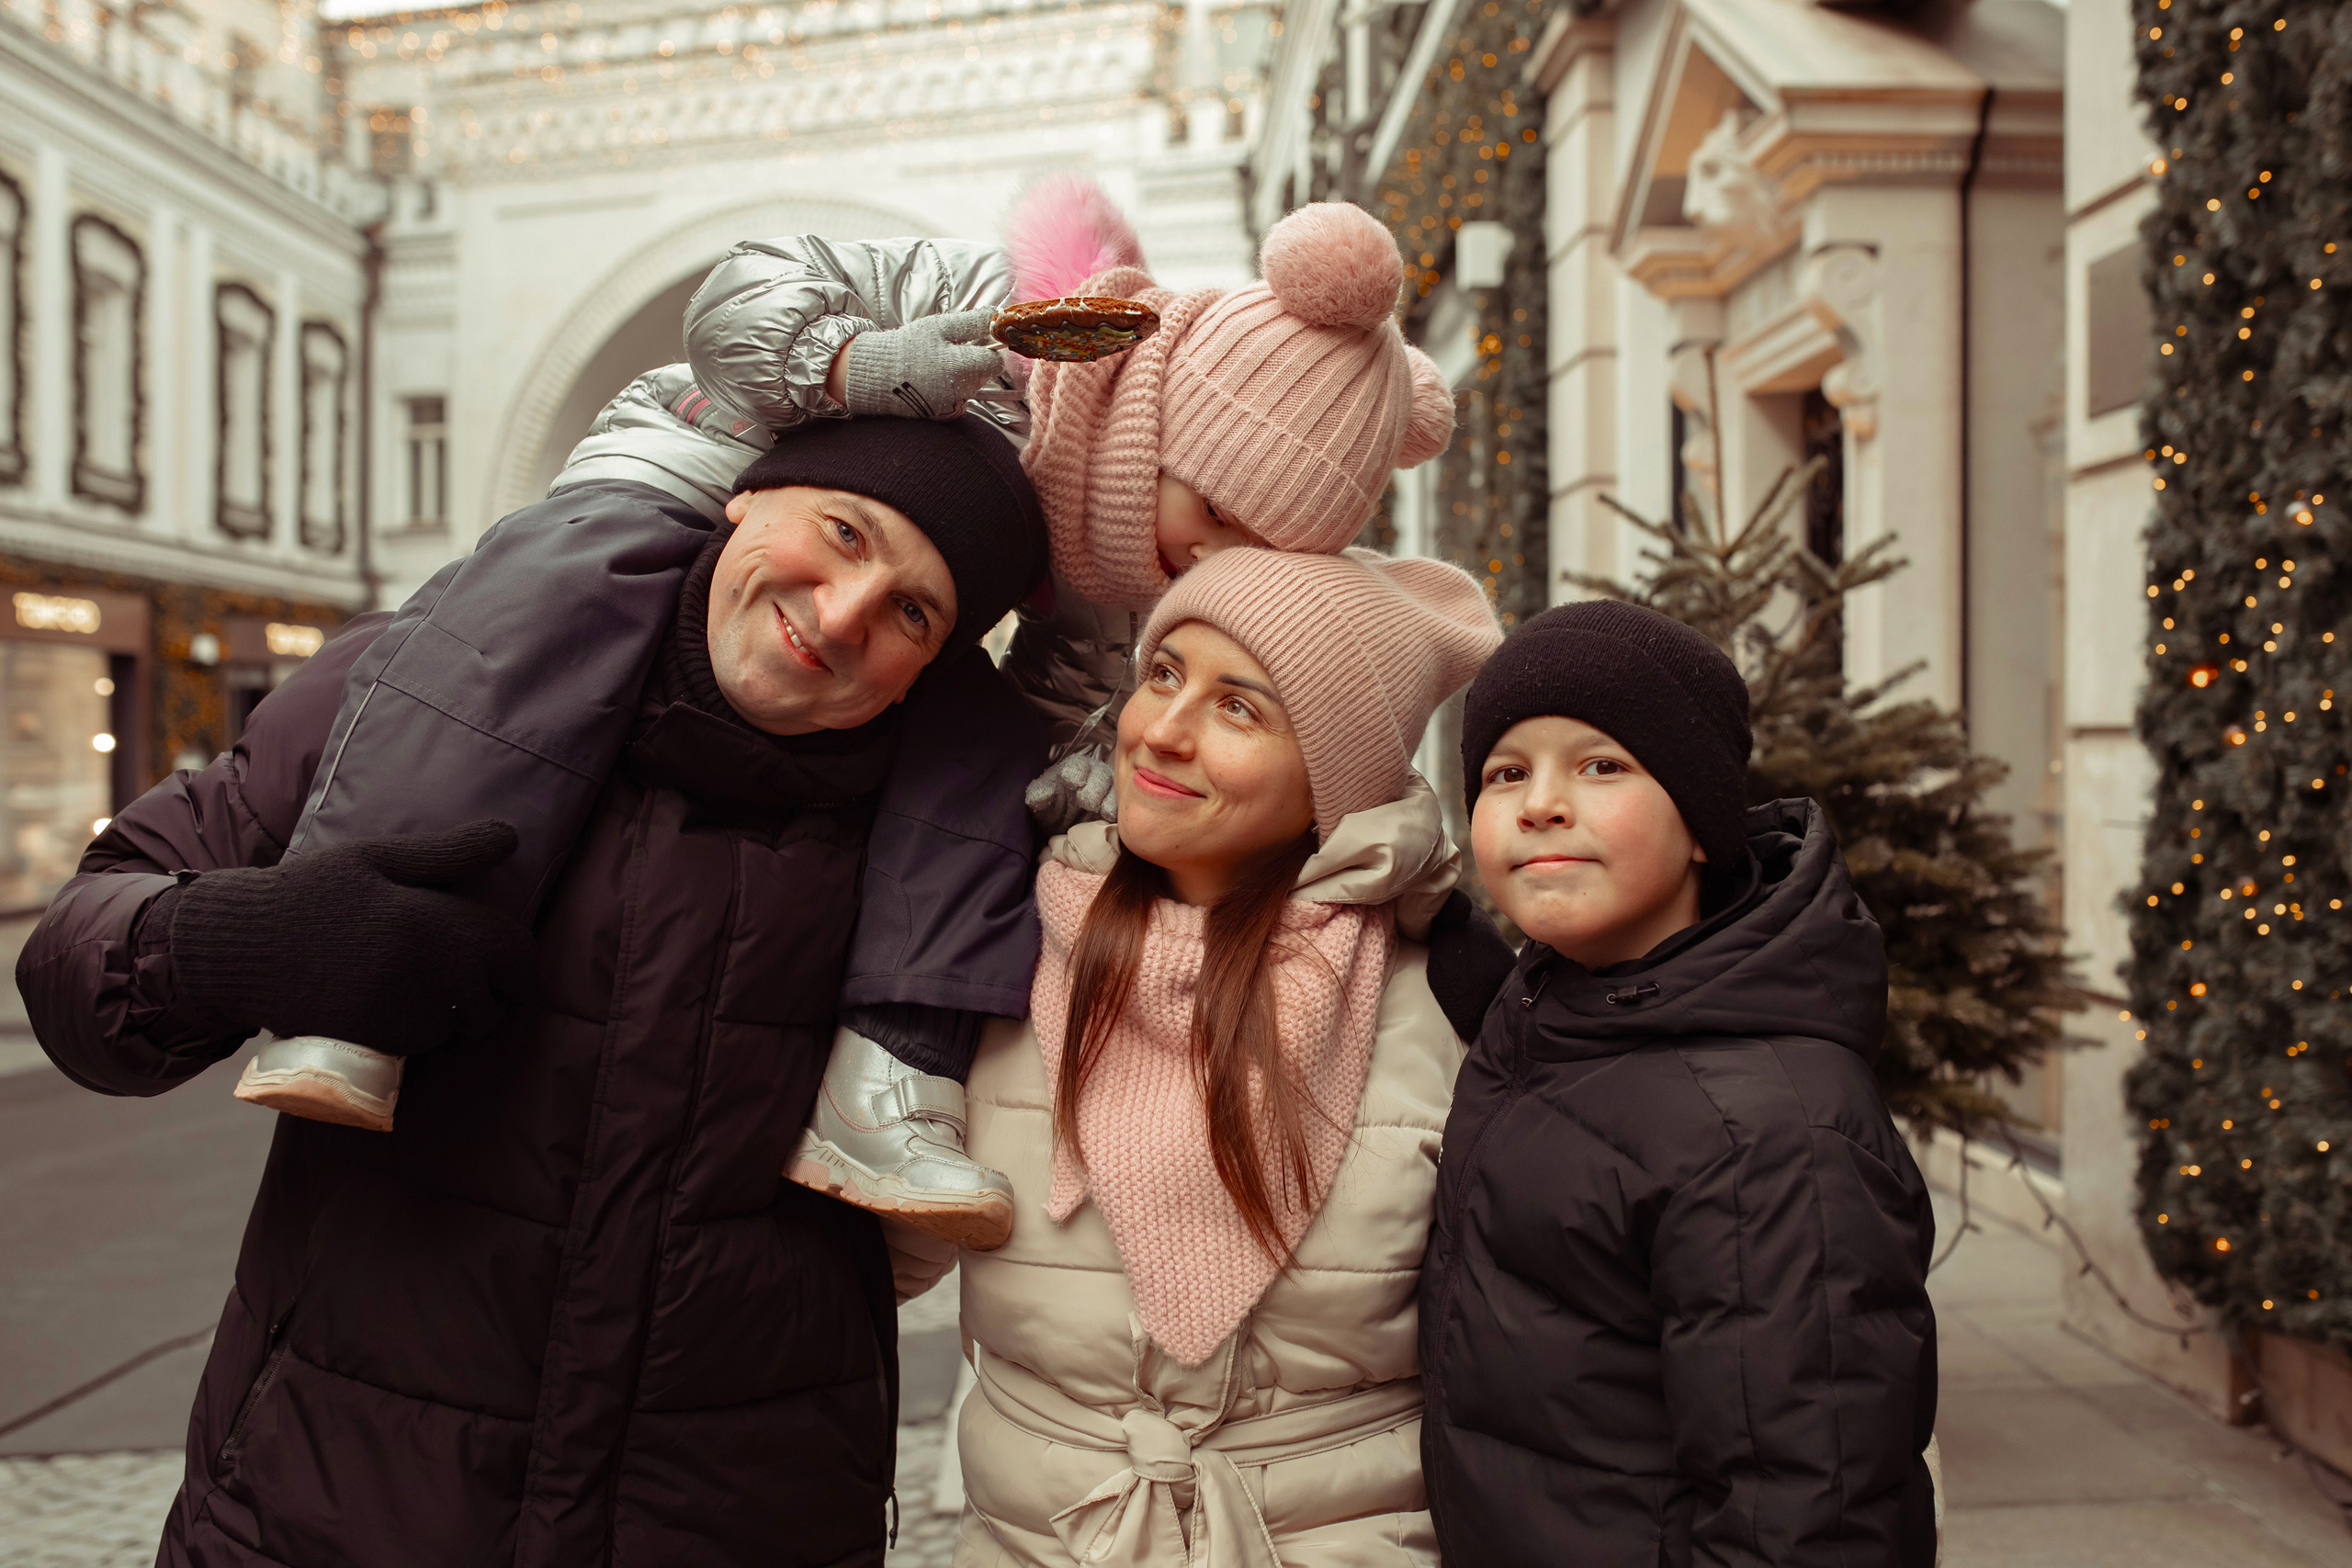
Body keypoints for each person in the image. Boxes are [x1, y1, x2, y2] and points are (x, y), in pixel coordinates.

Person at [15, 415, 1048, 1568]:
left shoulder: (962, 861)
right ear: (746, 501)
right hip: (329, 1508)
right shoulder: (428, 682)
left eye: (916, 611)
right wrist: (235, 942)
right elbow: (75, 967)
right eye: (843, 531)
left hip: (744, 1519)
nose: (847, 611)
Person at [391, 183, 1459, 1252]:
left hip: (896, 609)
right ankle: (393, 900)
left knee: (980, 756)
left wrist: (1099, 761)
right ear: (1174, 433)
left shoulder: (1130, 570)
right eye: (1220, 513)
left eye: (1262, 549)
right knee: (561, 607)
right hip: (694, 453)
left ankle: (892, 1067)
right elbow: (741, 294)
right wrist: (863, 368)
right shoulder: (1019, 315)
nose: (1216, 562)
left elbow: (1071, 693)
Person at [931, 546, 1500, 1566]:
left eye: (1240, 708)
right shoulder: (999, 946)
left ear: (1336, 773)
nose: (1162, 732)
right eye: (1161, 675)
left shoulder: (1453, 1004)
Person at [1416, 601, 1941, 1568]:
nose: (1540, 803)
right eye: (1504, 773)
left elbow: (1805, 1514)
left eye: (1601, 765)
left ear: (1701, 823)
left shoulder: (1764, 1132)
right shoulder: (1546, 1013)